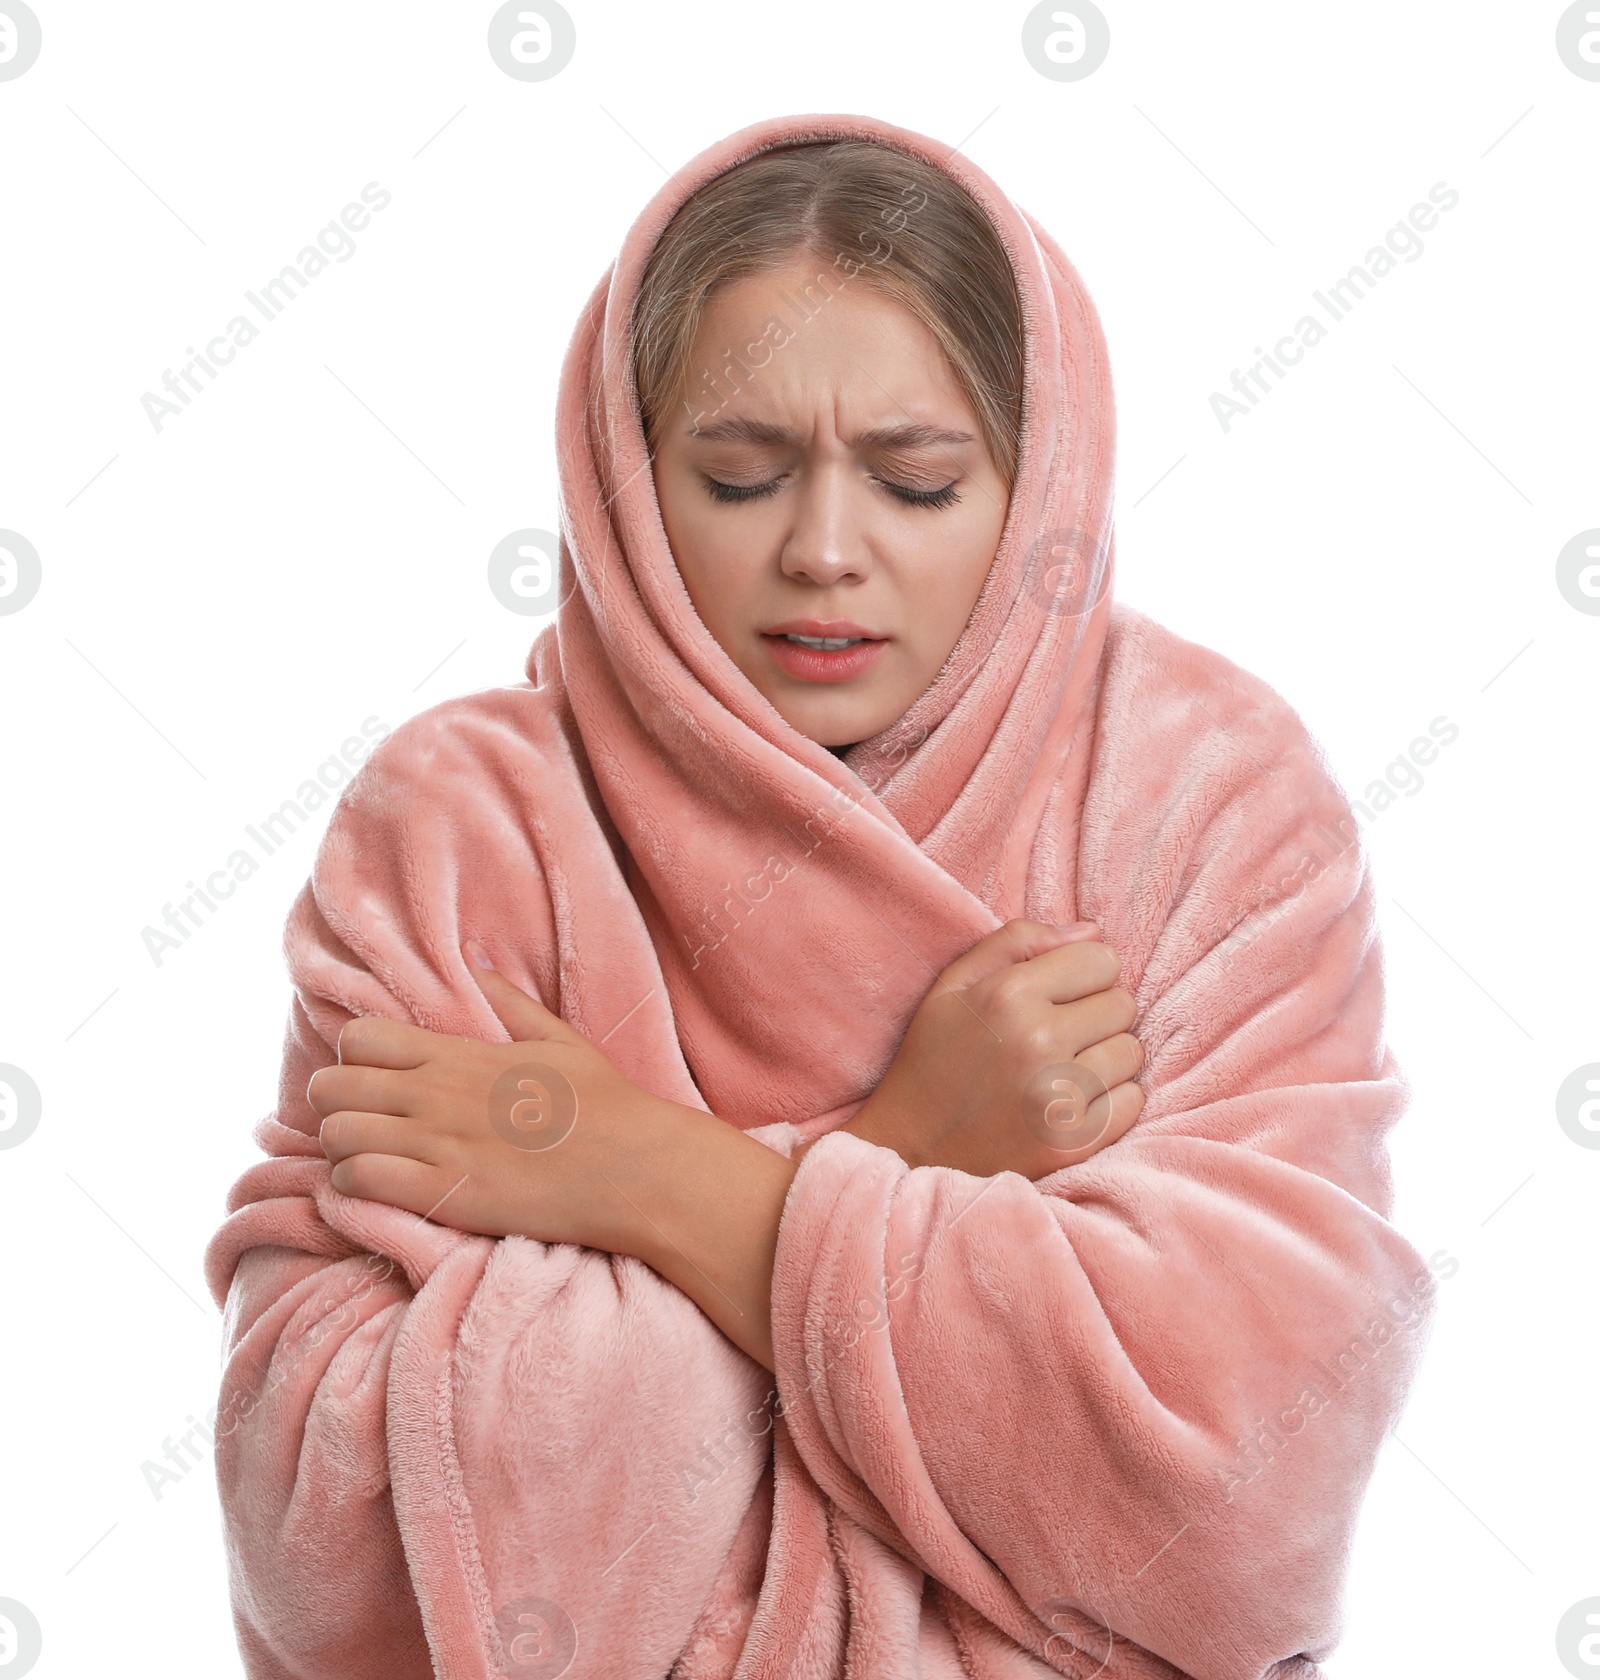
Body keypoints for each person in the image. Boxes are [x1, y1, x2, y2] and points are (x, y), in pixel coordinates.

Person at [204, 112, 1436, 1680]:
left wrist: (647, 1178)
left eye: (917, 485)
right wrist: (903, 1150)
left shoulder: (1208, 789)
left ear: (1036, 478)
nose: (826, 553)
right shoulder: (463, 825)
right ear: (629, 488)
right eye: (738, 476)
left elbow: (1253, 1488)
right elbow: (333, 1521)